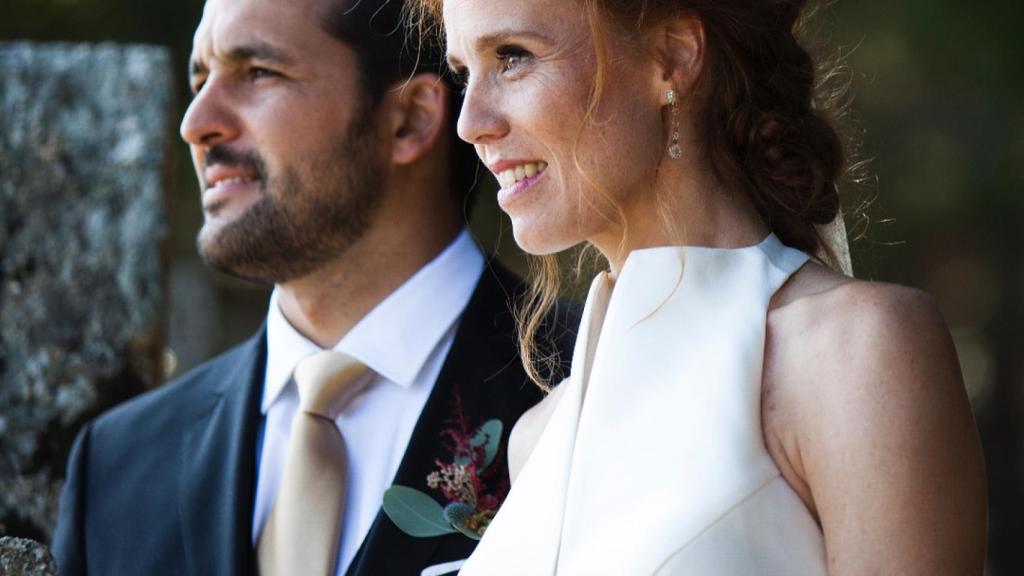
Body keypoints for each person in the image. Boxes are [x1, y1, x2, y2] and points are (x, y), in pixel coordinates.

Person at [413, 0, 989, 573]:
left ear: (672, 56)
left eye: (512, 57)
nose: (469, 123)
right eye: (465, 73)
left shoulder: (857, 355)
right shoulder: (537, 440)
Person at [51, 0, 575, 574]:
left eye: (258, 73)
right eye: (200, 77)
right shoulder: (118, 464)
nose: (196, 123)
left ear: (410, 120)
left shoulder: (589, 381)